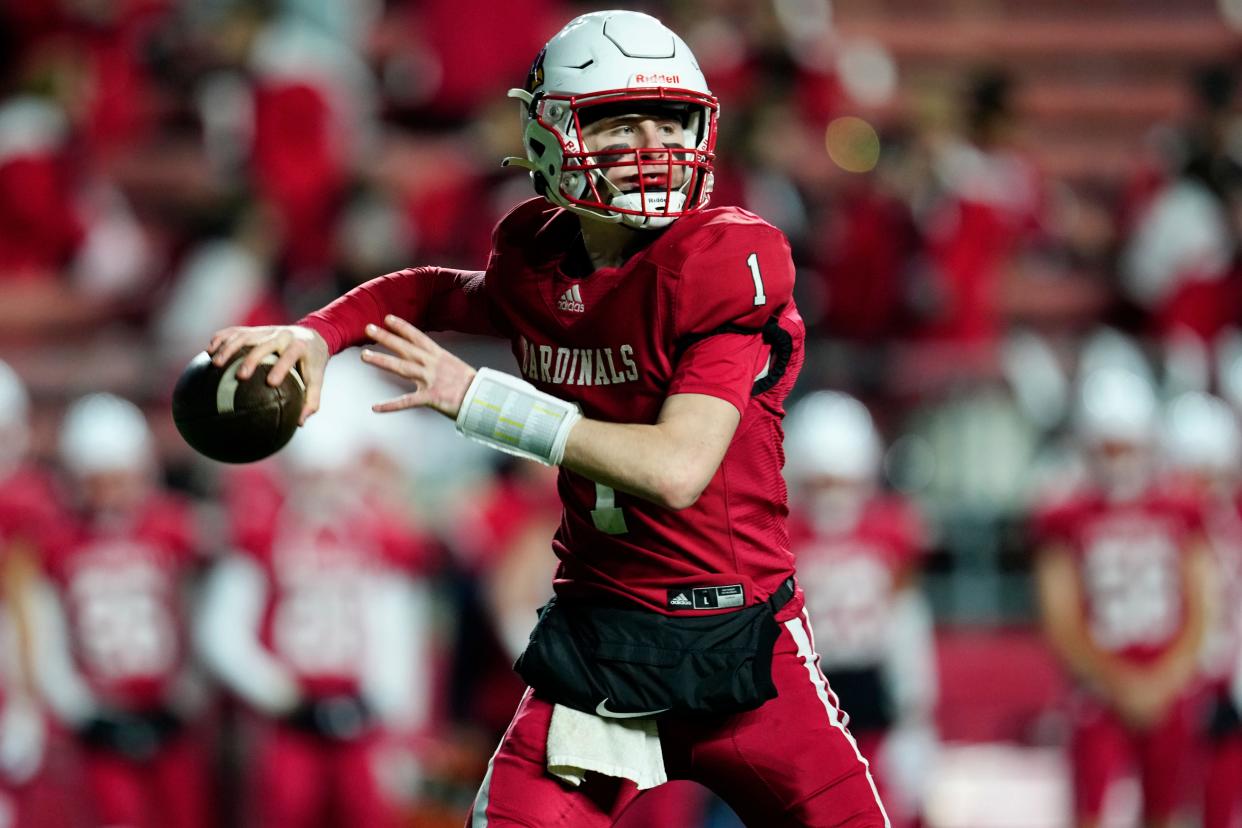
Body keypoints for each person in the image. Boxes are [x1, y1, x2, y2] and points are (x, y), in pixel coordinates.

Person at [208, 10, 888, 827]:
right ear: (547, 134)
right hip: (599, 645)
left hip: (745, 640)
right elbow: (428, 290)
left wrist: (482, 402)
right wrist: (316, 333)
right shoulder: (537, 261)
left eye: (668, 117)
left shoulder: (721, 261)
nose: (650, 141)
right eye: (615, 118)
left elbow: (676, 469)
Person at [196, 359, 436, 828]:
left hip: (361, 720)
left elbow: (397, 628)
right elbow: (222, 633)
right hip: (289, 722)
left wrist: (386, 704)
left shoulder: (378, 535)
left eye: (333, 476)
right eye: (314, 477)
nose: (325, 491)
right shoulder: (263, 534)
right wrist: (278, 693)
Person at [1033, 369, 1211, 828]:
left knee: (1167, 812)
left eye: (1127, 444)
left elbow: (1203, 603)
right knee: (1091, 811)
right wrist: (1122, 684)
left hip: (1166, 681)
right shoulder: (1068, 514)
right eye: (1108, 446)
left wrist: (1165, 678)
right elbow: (1061, 616)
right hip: (1098, 688)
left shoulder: (1181, 508)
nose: (1119, 459)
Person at [31, 394, 212, 828]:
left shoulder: (174, 528)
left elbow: (197, 611)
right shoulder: (58, 542)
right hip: (102, 712)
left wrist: (188, 693)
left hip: (168, 709)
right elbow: (45, 631)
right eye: (98, 481)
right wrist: (81, 709)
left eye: (120, 479)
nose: (111, 495)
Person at [784, 392, 937, 828]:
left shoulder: (890, 528)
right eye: (822, 482)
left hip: (871, 684)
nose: (833, 496)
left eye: (841, 481)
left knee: (883, 804)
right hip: (809, 684)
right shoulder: (783, 531)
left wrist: (915, 709)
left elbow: (906, 619)